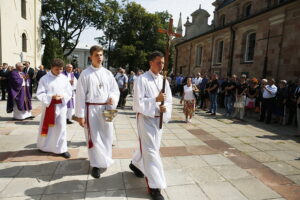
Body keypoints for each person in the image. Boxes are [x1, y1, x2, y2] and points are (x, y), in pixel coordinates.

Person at [129, 51, 172, 200]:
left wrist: (164, 107)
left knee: (152, 147)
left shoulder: (164, 80)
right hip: (146, 119)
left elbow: (169, 100)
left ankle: (135, 164)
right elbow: (137, 103)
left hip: (158, 120)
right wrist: (155, 100)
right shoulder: (142, 79)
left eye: (163, 63)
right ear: (151, 63)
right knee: (151, 151)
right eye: (158, 62)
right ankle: (155, 186)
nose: (161, 66)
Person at [75, 45, 120, 179]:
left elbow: (115, 89)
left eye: (101, 55)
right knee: (93, 137)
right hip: (92, 109)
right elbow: (80, 96)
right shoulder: (85, 74)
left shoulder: (108, 73)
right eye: (97, 55)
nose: (99, 58)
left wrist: (113, 97)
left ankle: (106, 159)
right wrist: (80, 115)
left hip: (107, 108)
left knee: (107, 135)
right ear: (91, 57)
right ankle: (95, 164)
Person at [36, 58, 72, 158]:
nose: (59, 71)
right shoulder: (44, 79)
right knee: (48, 127)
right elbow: (40, 93)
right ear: (51, 67)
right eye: (57, 69)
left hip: (61, 106)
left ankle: (61, 149)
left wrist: (62, 96)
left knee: (61, 127)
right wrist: (51, 97)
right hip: (49, 106)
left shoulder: (64, 78)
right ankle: (44, 146)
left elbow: (69, 92)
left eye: (61, 69)